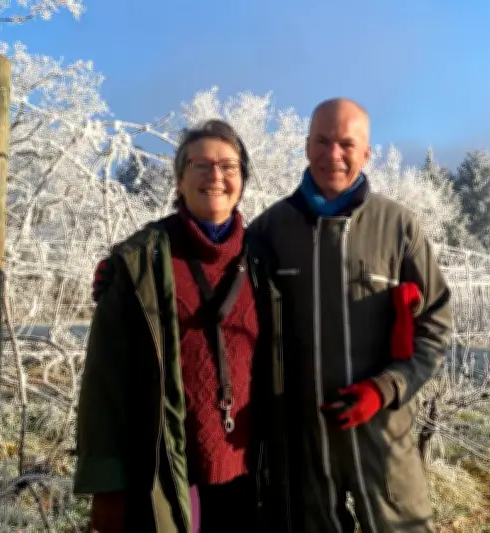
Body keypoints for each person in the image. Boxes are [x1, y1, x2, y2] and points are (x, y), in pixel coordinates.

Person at [247, 98, 453, 533]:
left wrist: (386, 388)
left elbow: (435, 323)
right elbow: (214, 273)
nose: (333, 154)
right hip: (302, 441)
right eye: (322, 141)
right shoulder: (270, 230)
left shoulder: (399, 227)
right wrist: (134, 267)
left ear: (366, 153)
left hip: (384, 433)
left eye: (346, 143)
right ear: (306, 146)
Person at [72, 119, 280, 532]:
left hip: (251, 472)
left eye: (228, 165)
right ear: (179, 179)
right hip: (165, 471)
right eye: (200, 165)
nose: (215, 176)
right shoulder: (140, 263)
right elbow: (105, 382)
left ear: (243, 178)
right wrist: (107, 486)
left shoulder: (266, 259)